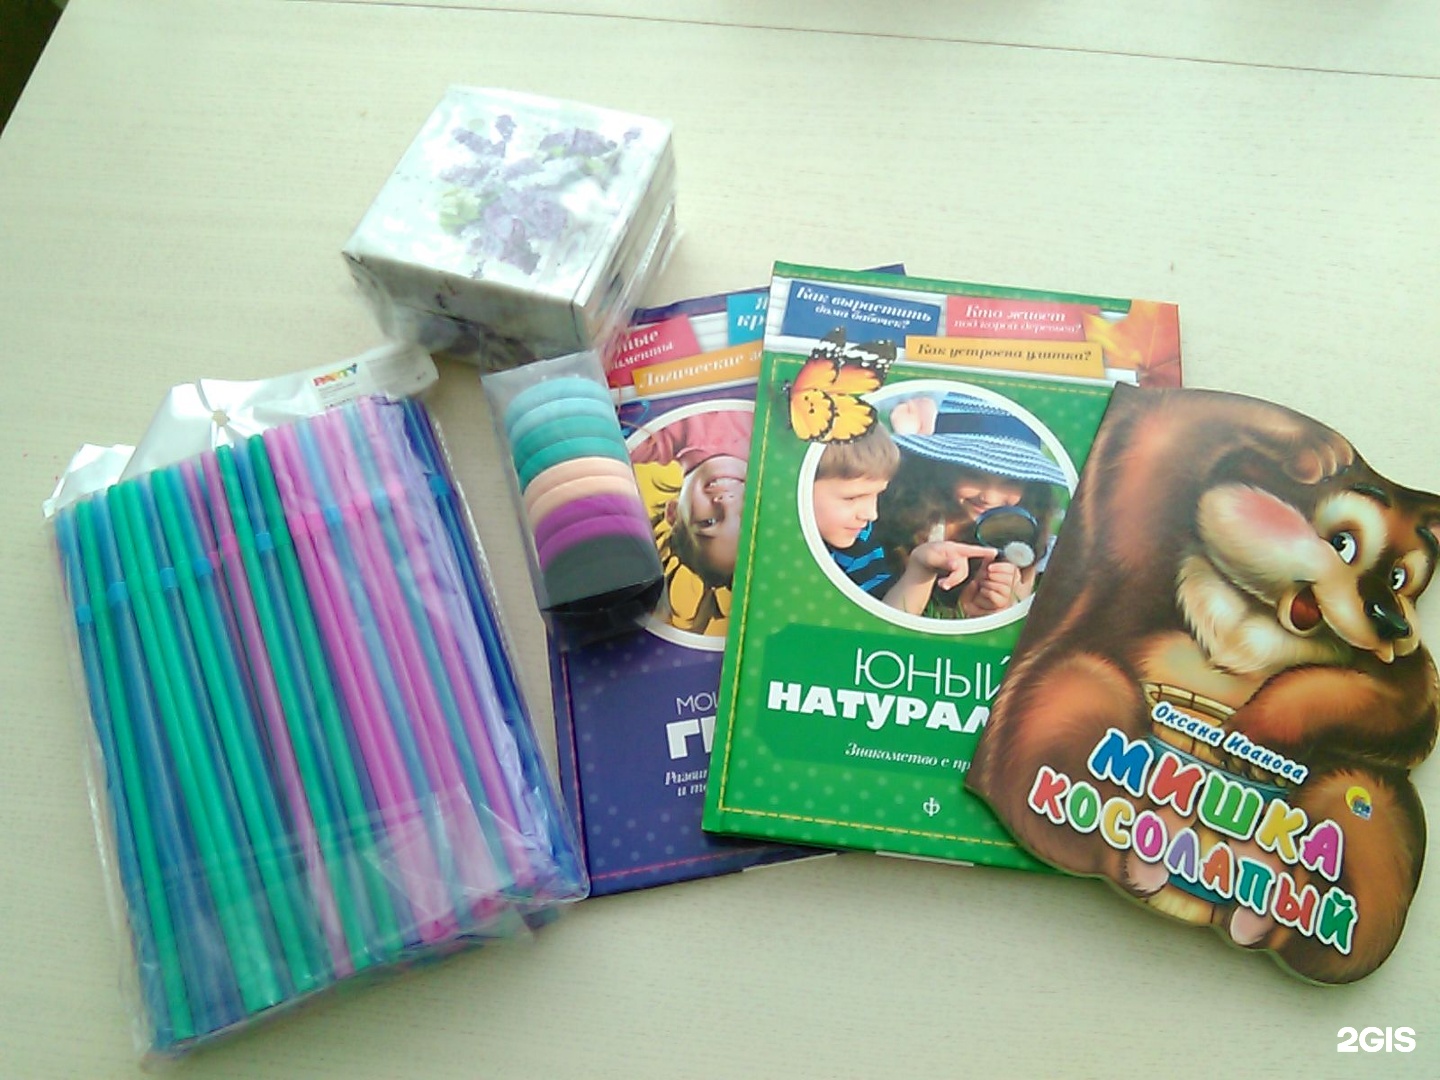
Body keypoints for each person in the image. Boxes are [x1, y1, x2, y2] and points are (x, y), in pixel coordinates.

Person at [872, 391, 1068, 618]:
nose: (990, 498)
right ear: (943, 467)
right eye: (973, 476)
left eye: (1011, 481)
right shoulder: (889, 516)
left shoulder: (1026, 536)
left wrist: (999, 609)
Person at [812, 421, 998, 614]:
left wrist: (921, 569)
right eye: (852, 498)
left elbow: (883, 620)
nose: (871, 514)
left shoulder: (861, 544)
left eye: (877, 495)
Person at [629, 407, 751, 636]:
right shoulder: (769, 436)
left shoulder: (662, 439)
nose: (726, 503)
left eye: (708, 522)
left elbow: (600, 449)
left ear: (673, 513)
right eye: (745, 516)